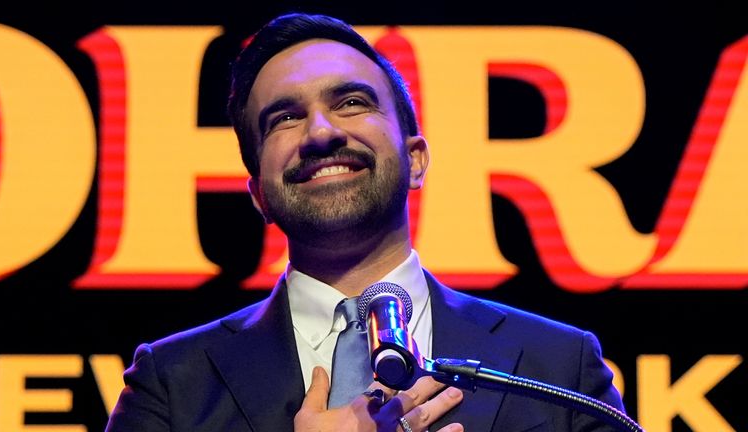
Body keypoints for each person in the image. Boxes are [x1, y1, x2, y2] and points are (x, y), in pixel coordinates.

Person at [105, 12, 626, 432]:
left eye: (352, 102)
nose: (321, 132)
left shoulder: (559, 365)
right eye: (285, 118)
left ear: (415, 160)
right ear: (259, 194)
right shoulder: (172, 383)